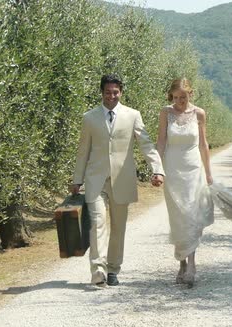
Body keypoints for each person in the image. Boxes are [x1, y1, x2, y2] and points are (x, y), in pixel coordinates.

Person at [70, 74, 165, 287]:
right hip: (96, 180)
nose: (111, 96)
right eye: (107, 92)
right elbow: (82, 151)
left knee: (119, 228)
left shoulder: (133, 115)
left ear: (120, 92)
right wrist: (77, 179)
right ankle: (98, 270)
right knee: (97, 224)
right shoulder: (89, 118)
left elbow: (146, 144)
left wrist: (157, 170)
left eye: (115, 92)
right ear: (101, 92)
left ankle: (113, 269)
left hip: (122, 179)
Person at [156, 78, 214, 287]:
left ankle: (191, 263)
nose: (180, 101)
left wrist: (208, 173)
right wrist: (157, 168)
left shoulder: (199, 114)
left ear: (191, 93)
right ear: (171, 96)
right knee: (178, 217)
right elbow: (161, 141)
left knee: (192, 216)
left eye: (184, 96)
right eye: (176, 97)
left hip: (193, 170)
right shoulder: (166, 113)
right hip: (172, 170)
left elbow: (203, 144)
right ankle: (181, 262)